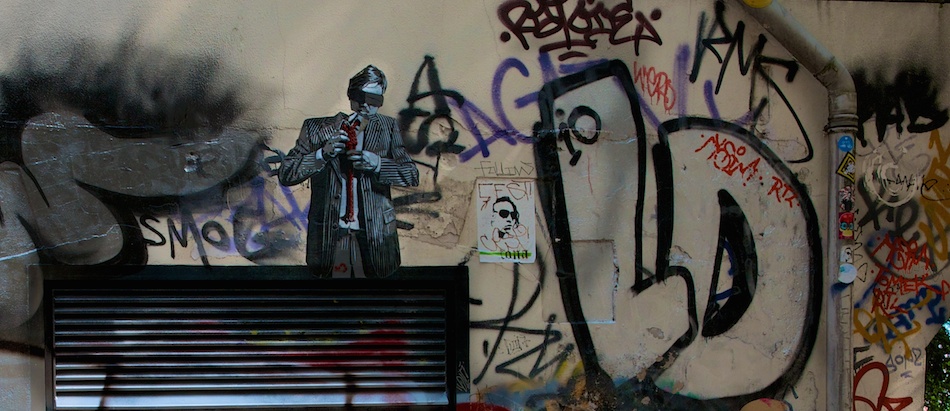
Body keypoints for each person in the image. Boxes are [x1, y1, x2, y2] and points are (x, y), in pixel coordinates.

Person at [279, 65, 419, 278]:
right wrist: (322, 155)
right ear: (351, 95)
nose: (366, 105)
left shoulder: (388, 128)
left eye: (374, 99)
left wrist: (378, 164)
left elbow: (411, 175)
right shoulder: (315, 128)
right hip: (328, 236)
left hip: (376, 237)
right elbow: (287, 174)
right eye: (361, 97)